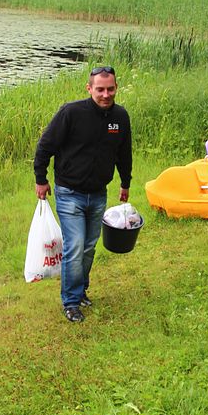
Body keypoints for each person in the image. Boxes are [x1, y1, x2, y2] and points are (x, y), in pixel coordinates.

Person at [34, 66, 132, 323]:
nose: (105, 94)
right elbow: (45, 146)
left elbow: (124, 153)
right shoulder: (71, 112)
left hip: (98, 194)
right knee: (75, 246)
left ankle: (80, 289)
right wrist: (41, 179)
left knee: (88, 247)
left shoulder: (120, 117)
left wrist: (125, 182)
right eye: (100, 89)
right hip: (69, 192)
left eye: (110, 89)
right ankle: (71, 302)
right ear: (89, 89)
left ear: (116, 88)